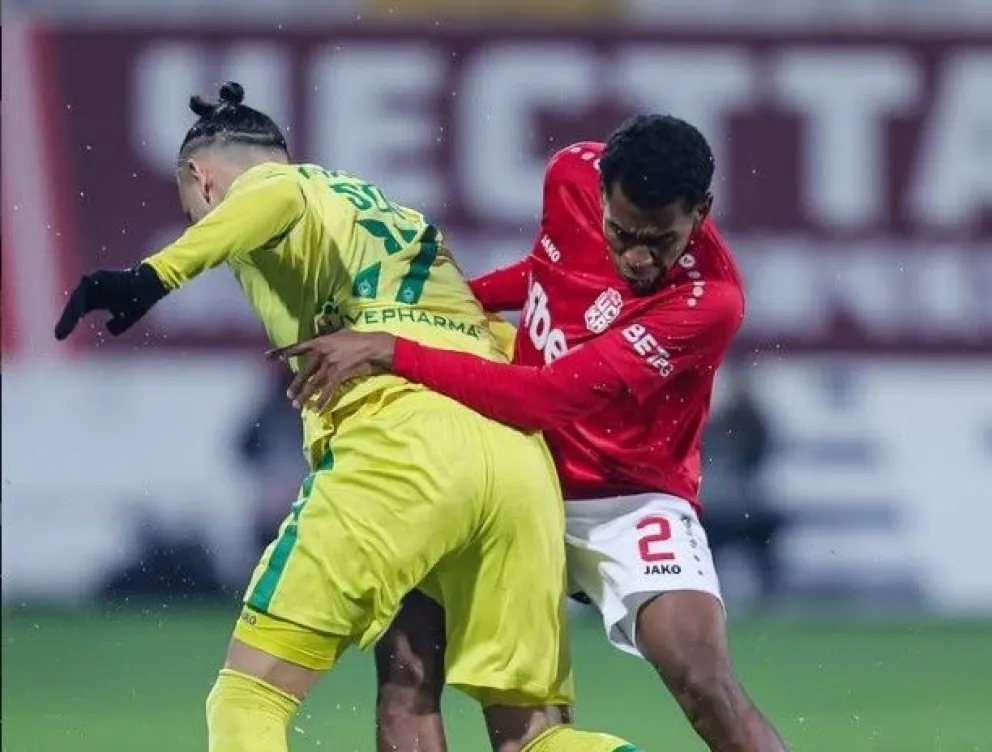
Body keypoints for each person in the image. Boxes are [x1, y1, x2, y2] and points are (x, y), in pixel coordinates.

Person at [53, 82, 638, 752]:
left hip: (402, 445)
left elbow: (270, 194)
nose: (199, 219)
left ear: (201, 178)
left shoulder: (281, 187)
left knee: (247, 699)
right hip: (516, 461)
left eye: (192, 205)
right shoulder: (400, 220)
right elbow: (502, 339)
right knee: (534, 740)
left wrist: (152, 276)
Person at [272, 115, 788, 751]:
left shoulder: (709, 300)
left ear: (700, 212)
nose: (637, 257)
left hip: (626, 499)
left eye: (661, 241)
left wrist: (393, 346)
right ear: (600, 194)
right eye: (622, 233)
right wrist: (448, 307)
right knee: (411, 676)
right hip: (512, 472)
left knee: (705, 684)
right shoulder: (570, 174)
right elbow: (548, 269)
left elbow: (545, 400)